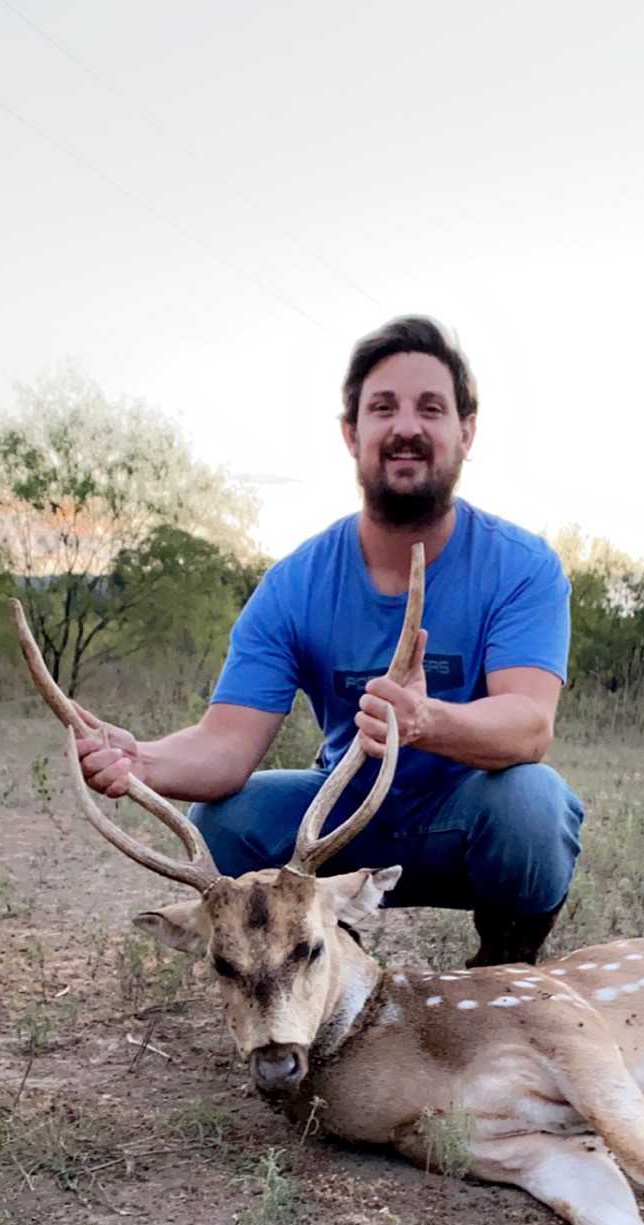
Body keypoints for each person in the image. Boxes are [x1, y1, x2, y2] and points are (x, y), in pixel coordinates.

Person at [77, 316, 583, 966]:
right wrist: (143, 763)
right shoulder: (295, 584)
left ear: (466, 432)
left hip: (468, 819)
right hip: (342, 825)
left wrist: (424, 721)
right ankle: (325, 970)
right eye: (383, 408)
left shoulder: (521, 566)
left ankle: (505, 971)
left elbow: (528, 726)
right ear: (352, 433)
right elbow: (226, 745)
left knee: (535, 805)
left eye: (431, 408)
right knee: (225, 822)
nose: (406, 427)